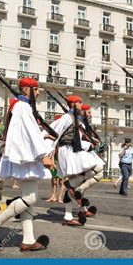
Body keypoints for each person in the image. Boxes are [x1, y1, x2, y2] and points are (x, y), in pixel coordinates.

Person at [0, 77, 53, 251]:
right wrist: (43, 155)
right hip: (27, 158)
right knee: (30, 198)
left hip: (25, 156)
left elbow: (26, 132)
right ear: (25, 90)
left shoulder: (20, 106)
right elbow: (30, 133)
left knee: (28, 198)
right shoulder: (23, 107)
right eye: (36, 89)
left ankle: (28, 240)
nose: (38, 93)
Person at [48, 96, 103, 226]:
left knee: (74, 186)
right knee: (98, 167)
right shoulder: (67, 118)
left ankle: (68, 216)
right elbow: (53, 133)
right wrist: (47, 154)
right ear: (73, 104)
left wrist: (89, 144)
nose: (81, 105)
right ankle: (72, 187)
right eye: (80, 102)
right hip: (67, 152)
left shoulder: (73, 118)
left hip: (72, 151)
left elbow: (75, 139)